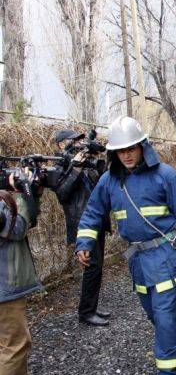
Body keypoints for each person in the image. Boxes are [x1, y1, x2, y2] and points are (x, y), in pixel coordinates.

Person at [75, 116, 176, 375]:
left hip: (167, 255)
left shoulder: (166, 176)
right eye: (121, 150)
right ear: (114, 153)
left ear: (142, 145)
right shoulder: (109, 181)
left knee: (163, 313)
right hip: (139, 260)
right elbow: (93, 212)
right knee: (155, 314)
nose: (127, 154)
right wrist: (83, 242)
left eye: (132, 147)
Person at [0, 170, 48, 375]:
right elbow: (17, 229)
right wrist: (19, 194)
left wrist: (31, 195)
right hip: (4, 287)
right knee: (15, 343)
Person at [53, 129, 111, 326]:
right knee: (92, 267)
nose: (80, 143)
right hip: (81, 223)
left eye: (81, 140)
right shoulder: (60, 165)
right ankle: (86, 312)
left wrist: (94, 159)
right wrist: (75, 168)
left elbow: (102, 185)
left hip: (97, 221)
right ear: (62, 144)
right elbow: (62, 194)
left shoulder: (87, 163)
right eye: (75, 140)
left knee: (96, 267)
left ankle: (90, 307)